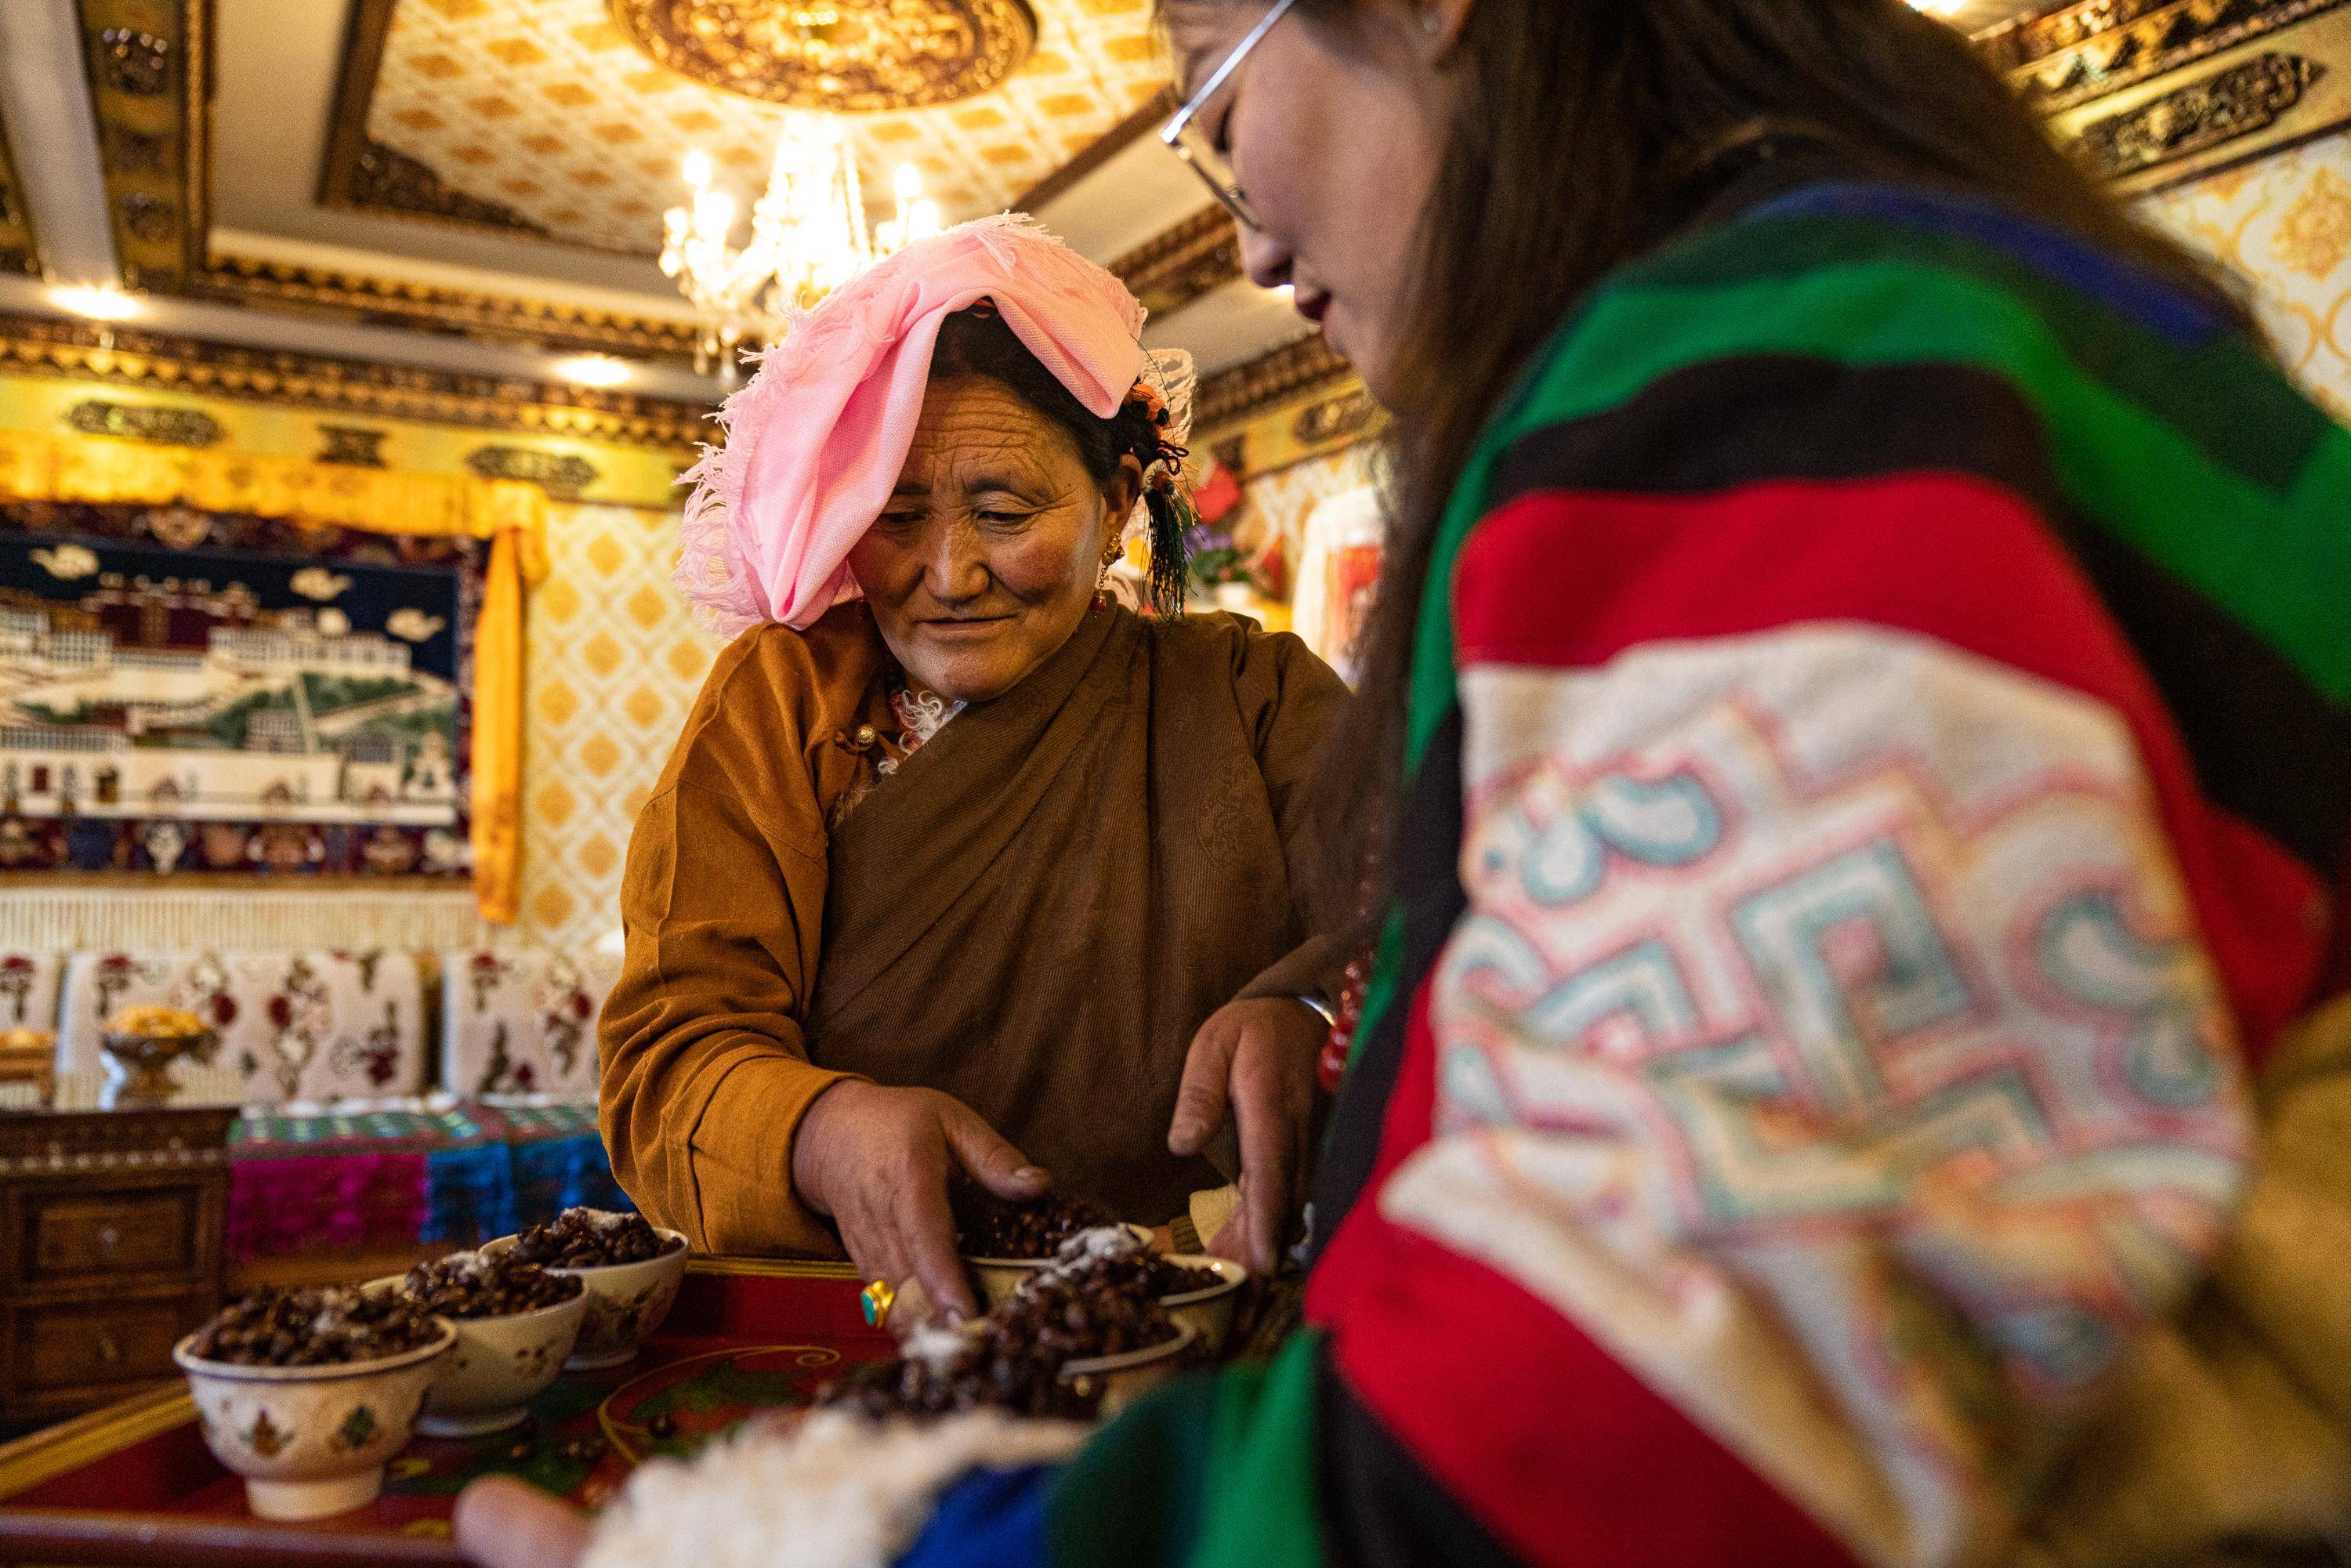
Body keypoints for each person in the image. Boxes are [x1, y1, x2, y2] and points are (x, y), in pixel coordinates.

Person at [463, 2, 2351, 1564]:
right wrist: (816, 1134)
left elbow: (1643, 1413)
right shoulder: (1942, 321)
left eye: (1209, 87)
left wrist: (842, 1548)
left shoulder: (1788, 390)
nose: (1248, 235)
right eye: (901, 517)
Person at [598, 216, 1348, 1317]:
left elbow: (1443, 930)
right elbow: (669, 1067)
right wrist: (818, 1131)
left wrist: (1319, 1019)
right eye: (894, 514)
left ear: (1120, 502)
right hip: (862, 1324)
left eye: (1004, 512)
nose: (947, 573)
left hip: (1195, 1322)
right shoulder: (784, 706)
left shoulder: (1252, 700)